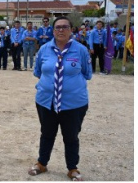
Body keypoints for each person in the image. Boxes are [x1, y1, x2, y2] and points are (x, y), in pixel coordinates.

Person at [28, 16, 92, 181]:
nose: (61, 30)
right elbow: (38, 72)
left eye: (65, 27)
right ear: (53, 30)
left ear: (71, 30)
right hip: (46, 101)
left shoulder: (81, 50)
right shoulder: (44, 49)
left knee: (71, 136)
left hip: (73, 103)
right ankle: (42, 163)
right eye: (57, 27)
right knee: (47, 133)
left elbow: (87, 73)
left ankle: (72, 168)